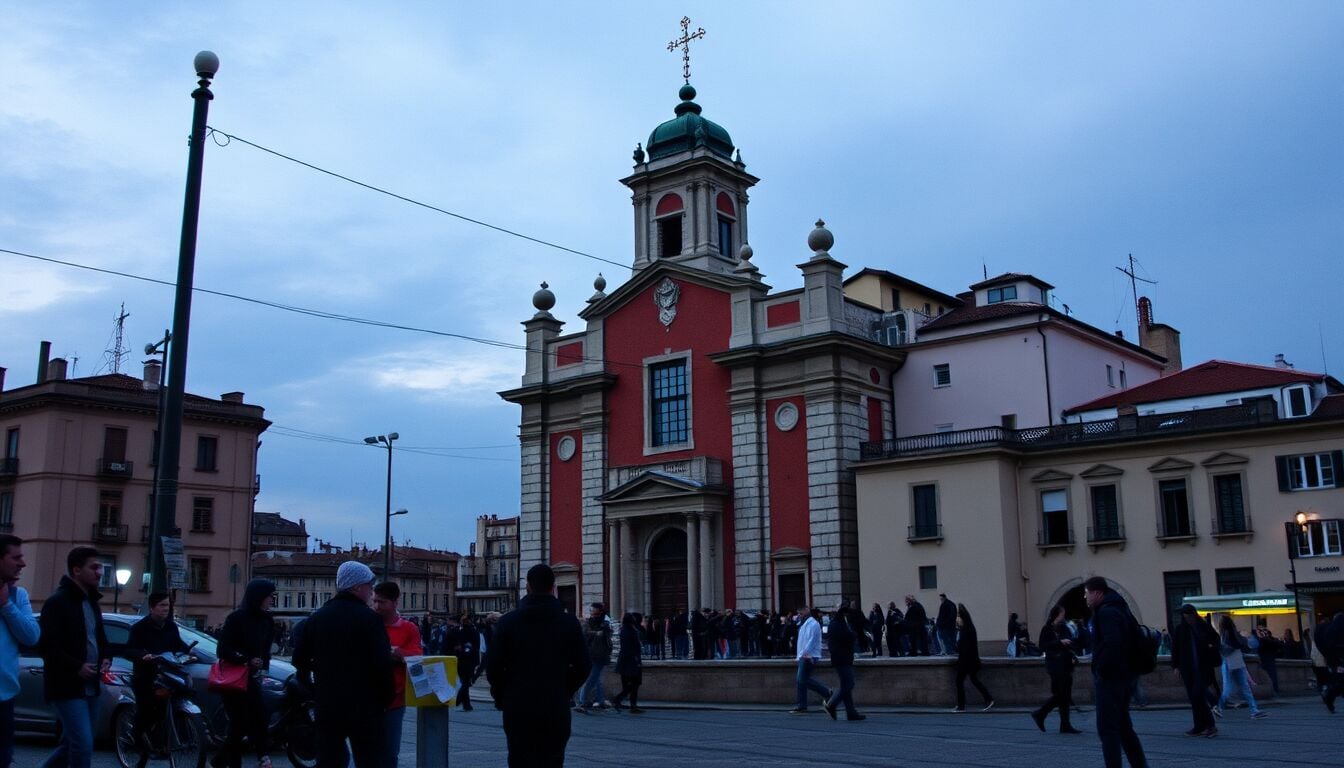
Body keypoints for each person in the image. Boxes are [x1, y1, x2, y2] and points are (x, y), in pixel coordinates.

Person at [487, 563, 590, 767]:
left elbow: (493, 668)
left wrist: (503, 696)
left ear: (528, 587)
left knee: (519, 759)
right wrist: (564, 690)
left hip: (518, 706)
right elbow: (583, 666)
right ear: (553, 587)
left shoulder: (508, 623)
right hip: (555, 705)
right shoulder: (569, 623)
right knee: (553, 760)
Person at [292, 561, 391, 768]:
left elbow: (299, 660)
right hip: (365, 704)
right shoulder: (370, 620)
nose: (371, 592)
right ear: (356, 587)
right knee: (369, 759)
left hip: (328, 704)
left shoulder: (317, 619)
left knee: (331, 760)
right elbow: (382, 664)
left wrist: (315, 689)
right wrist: (384, 699)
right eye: (368, 586)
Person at [38, 546, 111, 768]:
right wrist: (77, 666)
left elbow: (98, 637)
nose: (100, 572)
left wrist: (106, 656)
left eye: (100, 567)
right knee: (82, 744)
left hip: (91, 685)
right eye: (94, 567)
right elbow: (47, 646)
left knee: (72, 744)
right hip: (67, 687)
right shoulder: (57, 602)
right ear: (77, 570)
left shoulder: (92, 602)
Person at [1083, 576, 1147, 768]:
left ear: (1096, 593)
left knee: (1108, 729)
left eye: (1086, 593)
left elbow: (1113, 643)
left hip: (1112, 678)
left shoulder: (1106, 613)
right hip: (1125, 675)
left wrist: (1101, 669)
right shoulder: (1120, 608)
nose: (1085, 598)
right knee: (1124, 728)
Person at [213, 578, 277, 768]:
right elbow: (223, 649)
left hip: (253, 678)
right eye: (269, 596)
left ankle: (224, 760)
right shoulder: (237, 618)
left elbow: (265, 650)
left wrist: (263, 668)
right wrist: (246, 659)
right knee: (239, 723)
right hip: (234, 679)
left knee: (259, 716)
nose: (272, 600)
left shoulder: (267, 620)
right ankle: (257, 758)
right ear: (258, 597)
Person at [126, 592, 194, 768]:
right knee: (147, 708)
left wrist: (189, 652)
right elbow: (131, 650)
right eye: (162, 605)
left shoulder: (170, 626)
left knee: (184, 693)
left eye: (168, 605)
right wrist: (144, 656)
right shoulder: (140, 628)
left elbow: (178, 644)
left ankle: (177, 735)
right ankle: (137, 739)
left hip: (167, 674)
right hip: (146, 676)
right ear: (152, 607)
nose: (166, 609)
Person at [372, 582, 422, 768]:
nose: (377, 606)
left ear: (395, 603)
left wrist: (398, 653)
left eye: (382, 602)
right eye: (375, 601)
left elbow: (417, 657)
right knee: (368, 750)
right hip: (368, 698)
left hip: (395, 699)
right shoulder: (369, 623)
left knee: (390, 752)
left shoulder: (409, 628)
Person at [0, 534, 39, 768]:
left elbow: (32, 636)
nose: (22, 563)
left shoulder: (18, 596)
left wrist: (6, 605)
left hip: (5, 697)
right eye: (16, 558)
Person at [1169, 603, 1220, 737]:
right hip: (1188, 668)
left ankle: (1210, 725)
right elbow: (1176, 648)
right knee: (1194, 698)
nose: (1187, 618)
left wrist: (1210, 648)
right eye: (1185, 616)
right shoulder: (1181, 630)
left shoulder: (1203, 627)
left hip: (1202, 668)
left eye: (1189, 615)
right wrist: (1175, 666)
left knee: (1197, 695)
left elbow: (1215, 640)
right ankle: (1199, 726)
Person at [1030, 605, 1081, 734]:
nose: (1063, 616)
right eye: (1062, 614)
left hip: (1066, 664)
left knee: (1064, 695)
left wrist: (1072, 650)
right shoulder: (1047, 629)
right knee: (1061, 695)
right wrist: (1060, 643)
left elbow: (1072, 642)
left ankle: (1064, 724)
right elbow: (1043, 646)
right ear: (1056, 614)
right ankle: (1040, 713)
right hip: (1055, 665)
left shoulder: (1064, 627)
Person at [1214, 615, 1265, 719]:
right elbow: (1239, 645)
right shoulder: (1233, 634)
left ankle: (1219, 707)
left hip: (1229, 663)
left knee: (1228, 688)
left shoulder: (1224, 635)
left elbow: (1225, 650)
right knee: (1244, 687)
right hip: (1237, 662)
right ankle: (1254, 710)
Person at [823, 601, 864, 721]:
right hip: (841, 658)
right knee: (849, 684)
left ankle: (851, 712)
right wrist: (852, 635)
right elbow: (845, 637)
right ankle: (831, 704)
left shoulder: (839, 623)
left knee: (846, 685)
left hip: (843, 657)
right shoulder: (836, 624)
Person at [789, 607, 832, 714]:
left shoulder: (813, 624)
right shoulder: (804, 624)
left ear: (806, 612)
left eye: (800, 613)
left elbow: (811, 640)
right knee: (802, 680)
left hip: (808, 655)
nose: (799, 615)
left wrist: (805, 653)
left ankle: (826, 692)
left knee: (801, 680)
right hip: (804, 655)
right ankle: (802, 705)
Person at [952, 604, 994, 712]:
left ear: (962, 618)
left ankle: (961, 706)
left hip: (967, 661)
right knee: (973, 680)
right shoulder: (969, 628)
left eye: (958, 617)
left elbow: (964, 648)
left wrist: (957, 647)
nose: (957, 619)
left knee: (960, 681)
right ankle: (988, 699)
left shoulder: (966, 630)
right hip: (971, 661)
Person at [575, 603, 612, 712]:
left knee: (597, 679)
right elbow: (585, 633)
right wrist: (596, 633)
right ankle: (582, 701)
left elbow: (608, 637)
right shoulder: (588, 623)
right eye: (592, 613)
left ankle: (600, 700)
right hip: (593, 654)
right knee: (592, 679)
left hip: (601, 654)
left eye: (596, 613)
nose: (594, 615)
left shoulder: (605, 623)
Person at [610, 612, 644, 714]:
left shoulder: (625, 630)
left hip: (625, 661)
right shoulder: (631, 631)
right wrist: (636, 660)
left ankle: (621, 701)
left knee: (628, 685)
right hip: (631, 662)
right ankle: (627, 703)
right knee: (634, 684)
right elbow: (633, 647)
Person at [1248, 621, 1282, 695]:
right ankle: (1274, 690)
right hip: (1268, 658)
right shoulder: (1268, 638)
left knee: (1269, 676)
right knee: (1272, 675)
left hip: (1265, 659)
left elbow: (1261, 646)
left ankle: (1273, 690)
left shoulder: (1263, 639)